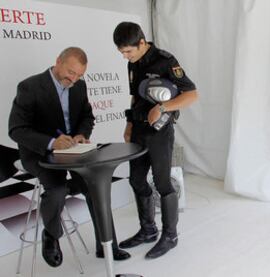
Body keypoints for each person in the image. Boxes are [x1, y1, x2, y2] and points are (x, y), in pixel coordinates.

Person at [8, 47, 130, 267]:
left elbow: (87, 116)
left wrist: (82, 134)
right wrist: (52, 143)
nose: (73, 79)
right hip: (38, 153)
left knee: (96, 185)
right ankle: (51, 236)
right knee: (57, 189)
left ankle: (107, 246)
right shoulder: (29, 87)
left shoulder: (79, 86)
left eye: (79, 75)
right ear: (58, 61)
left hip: (73, 152)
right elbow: (16, 130)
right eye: (71, 72)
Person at [113, 22, 198, 259]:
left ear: (142, 43)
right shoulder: (132, 64)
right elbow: (135, 97)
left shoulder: (165, 60)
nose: (125, 56)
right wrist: (129, 124)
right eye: (121, 52)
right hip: (138, 130)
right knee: (136, 180)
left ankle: (170, 236)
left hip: (160, 132)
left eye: (128, 51)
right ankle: (148, 230)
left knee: (162, 184)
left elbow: (191, 93)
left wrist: (162, 107)